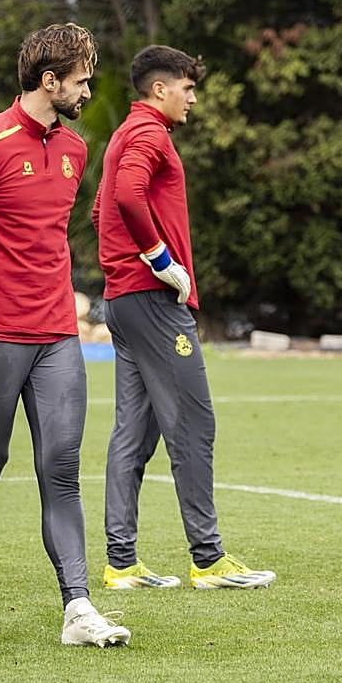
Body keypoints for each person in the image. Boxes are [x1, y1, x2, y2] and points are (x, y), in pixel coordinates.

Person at [0, 23, 130, 648]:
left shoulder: (74, 149)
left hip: (58, 333)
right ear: (49, 80)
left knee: (60, 468)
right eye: (82, 80)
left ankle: (79, 609)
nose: (88, 91)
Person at [92, 45, 275, 591]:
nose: (193, 98)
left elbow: (101, 208)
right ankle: (209, 558)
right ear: (159, 90)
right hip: (151, 299)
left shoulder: (125, 132)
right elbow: (124, 197)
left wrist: (125, 264)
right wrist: (158, 257)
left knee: (134, 431)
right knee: (194, 423)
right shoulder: (150, 133)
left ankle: (121, 564)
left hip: (124, 301)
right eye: (187, 88)